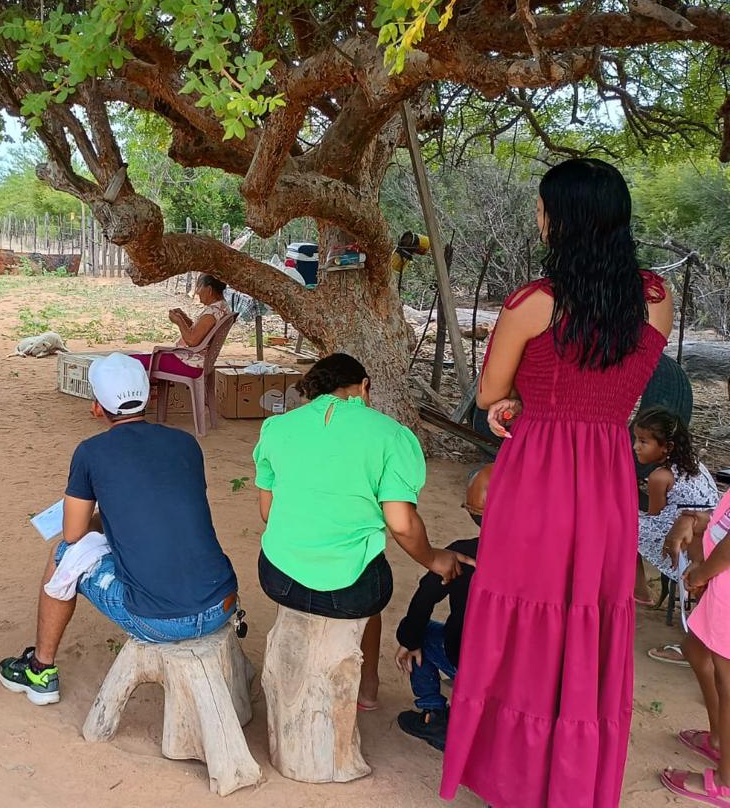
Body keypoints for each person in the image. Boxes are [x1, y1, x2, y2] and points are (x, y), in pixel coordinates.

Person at [441, 158, 674, 808]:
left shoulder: (533, 303)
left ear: (561, 220)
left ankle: (516, 778)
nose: (539, 218)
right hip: (605, 479)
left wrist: (518, 402)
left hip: (538, 476)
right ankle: (574, 780)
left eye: (544, 208)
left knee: (523, 623)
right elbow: (617, 379)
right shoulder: (656, 298)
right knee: (587, 624)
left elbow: (489, 391)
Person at [0, 353, 238, 705]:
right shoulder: (186, 444)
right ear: (149, 396)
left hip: (160, 620)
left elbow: (73, 533)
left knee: (65, 555)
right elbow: (172, 507)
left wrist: (101, 516)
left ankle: (40, 669)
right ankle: (40, 668)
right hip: (223, 602)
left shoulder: (91, 453)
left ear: (97, 407)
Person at [253, 353, 471, 713]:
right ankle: (367, 685)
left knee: (349, 565)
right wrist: (434, 558)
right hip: (349, 594)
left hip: (278, 579)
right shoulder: (389, 434)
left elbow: (267, 513)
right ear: (364, 386)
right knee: (366, 571)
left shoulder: (276, 428)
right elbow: (401, 523)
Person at [394, 464, 488, 751]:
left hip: (469, 663)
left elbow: (426, 596)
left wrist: (408, 638)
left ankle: (433, 714)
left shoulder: (462, 552)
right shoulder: (544, 564)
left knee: (418, 633)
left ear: (473, 513)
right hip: (521, 677)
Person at [658, 494, 730, 805]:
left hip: (723, 578)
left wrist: (703, 573)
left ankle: (727, 782)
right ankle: (718, 739)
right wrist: (694, 519)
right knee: (696, 650)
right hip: (721, 579)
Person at [636, 406, 719, 606]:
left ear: (668, 447)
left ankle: (638, 589)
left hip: (684, 539)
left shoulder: (659, 477)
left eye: (643, 441)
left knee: (623, 526)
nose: (635, 446)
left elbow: (655, 517)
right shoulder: (695, 463)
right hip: (711, 528)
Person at [130, 273, 230, 378]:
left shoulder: (212, 313)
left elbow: (192, 340)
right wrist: (184, 318)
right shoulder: (222, 307)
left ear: (209, 290)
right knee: (136, 359)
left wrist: (179, 321)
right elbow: (200, 334)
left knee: (131, 362)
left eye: (199, 287)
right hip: (195, 361)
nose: (197, 292)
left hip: (188, 364)